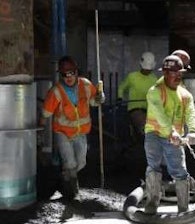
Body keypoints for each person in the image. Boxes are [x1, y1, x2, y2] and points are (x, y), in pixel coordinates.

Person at [40, 55, 105, 200]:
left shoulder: (86, 85)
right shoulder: (56, 91)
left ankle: (65, 177)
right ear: (61, 75)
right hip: (62, 132)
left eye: (71, 73)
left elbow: (95, 101)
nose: (68, 77)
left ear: (77, 72)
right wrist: (40, 132)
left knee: (81, 162)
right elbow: (46, 113)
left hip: (81, 133)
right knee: (70, 163)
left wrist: (101, 98)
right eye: (64, 74)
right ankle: (71, 190)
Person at [144, 55, 195, 214]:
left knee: (179, 171)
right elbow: (160, 115)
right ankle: (152, 204)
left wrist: (193, 131)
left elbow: (191, 114)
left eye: (180, 72)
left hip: (175, 138)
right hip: (154, 134)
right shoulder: (154, 92)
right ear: (165, 74)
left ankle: (183, 209)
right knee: (153, 166)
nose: (178, 76)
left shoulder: (185, 95)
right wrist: (172, 133)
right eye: (174, 73)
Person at [118, 51, 158, 144]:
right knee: (144, 125)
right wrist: (119, 97)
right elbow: (122, 87)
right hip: (134, 108)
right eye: (145, 69)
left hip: (149, 109)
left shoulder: (154, 79)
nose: (147, 71)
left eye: (148, 70)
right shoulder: (132, 77)